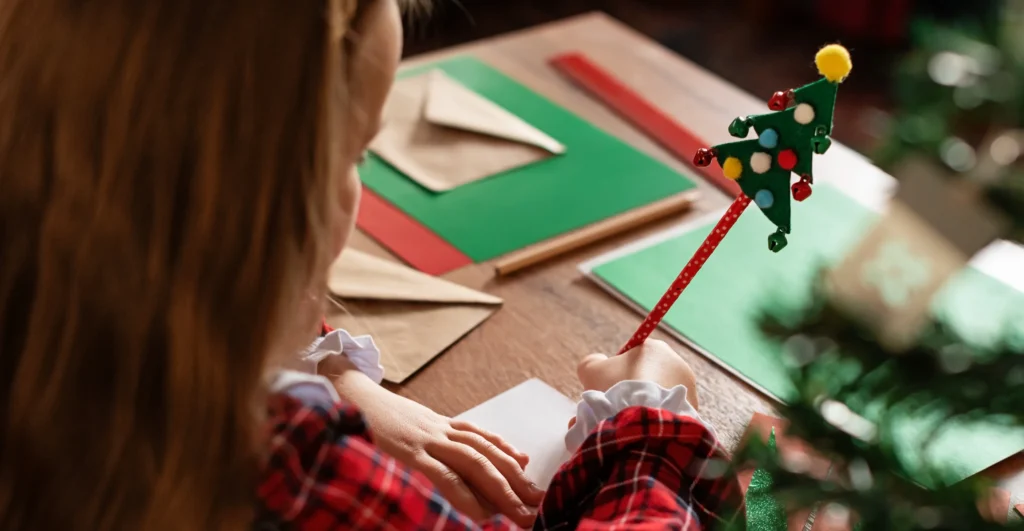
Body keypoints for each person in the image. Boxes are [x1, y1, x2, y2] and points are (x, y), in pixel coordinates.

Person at [0, 0, 743, 529]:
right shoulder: (289, 475)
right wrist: (648, 426)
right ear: (259, 208)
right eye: (355, 152)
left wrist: (333, 375)